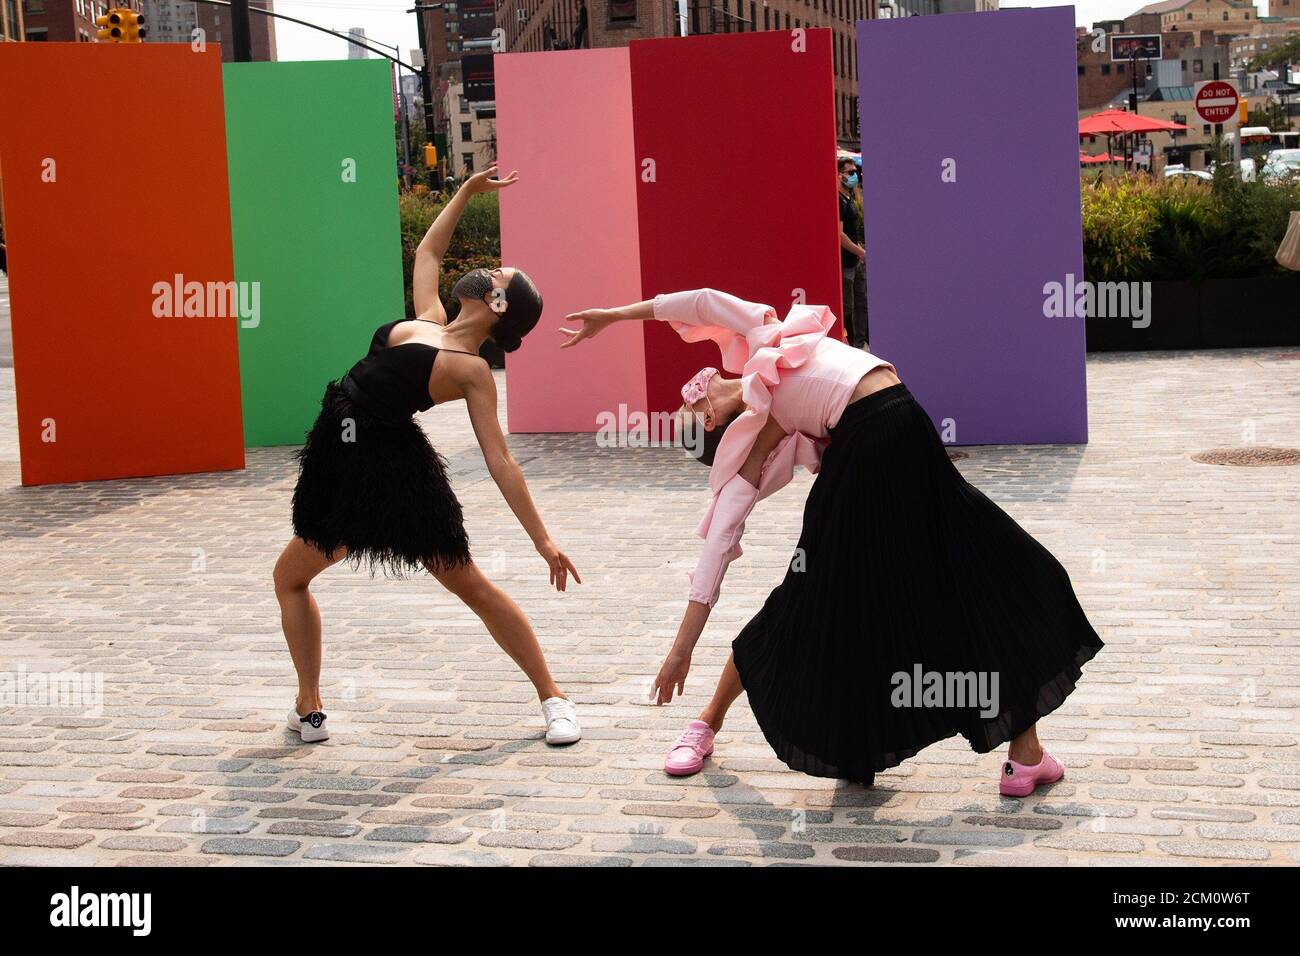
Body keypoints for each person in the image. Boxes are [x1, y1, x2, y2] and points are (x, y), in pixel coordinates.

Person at [560, 288, 1102, 796]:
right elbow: (718, 544)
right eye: (685, 411)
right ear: (706, 415)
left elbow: (701, 300)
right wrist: (682, 649)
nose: (687, 389)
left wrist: (612, 317)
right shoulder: (765, 422)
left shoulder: (763, 339)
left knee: (989, 570)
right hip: (871, 447)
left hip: (906, 427)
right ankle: (707, 722)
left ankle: (1022, 750)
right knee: (816, 600)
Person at [274, 166, 582, 747]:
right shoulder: (430, 319)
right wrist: (466, 191)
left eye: (497, 274)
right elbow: (428, 250)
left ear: (496, 302)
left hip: (395, 474)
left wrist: (542, 539)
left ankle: (555, 699)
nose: (488, 268)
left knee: (470, 586)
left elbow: (500, 460)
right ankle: (308, 706)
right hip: (339, 464)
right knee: (290, 577)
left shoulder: (470, 372)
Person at [837, 157, 868, 348]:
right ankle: (848, 345)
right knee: (847, 307)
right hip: (846, 262)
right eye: (850, 172)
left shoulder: (850, 199)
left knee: (861, 304)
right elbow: (838, 234)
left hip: (855, 260)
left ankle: (860, 343)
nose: (854, 175)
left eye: (855, 171)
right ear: (839, 174)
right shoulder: (838, 201)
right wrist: (860, 251)